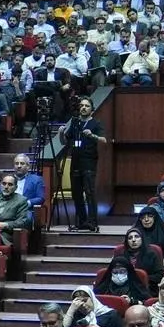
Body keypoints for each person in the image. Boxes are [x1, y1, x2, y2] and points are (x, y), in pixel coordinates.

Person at [63, 98, 107, 231]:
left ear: (92, 109)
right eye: (81, 105)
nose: (83, 108)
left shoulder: (96, 123)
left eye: (86, 106)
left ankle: (92, 222)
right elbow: (65, 141)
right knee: (76, 193)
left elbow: (103, 140)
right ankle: (81, 222)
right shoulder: (75, 122)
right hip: (75, 161)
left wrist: (92, 135)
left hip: (89, 162)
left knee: (89, 193)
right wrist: (60, 133)